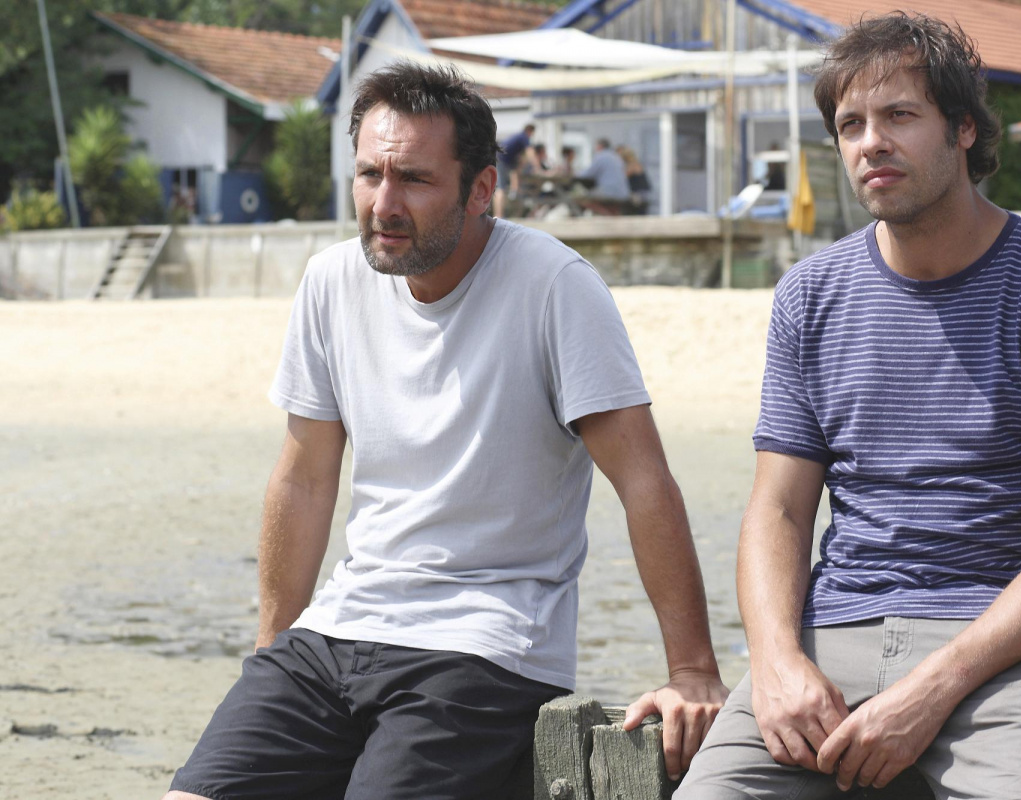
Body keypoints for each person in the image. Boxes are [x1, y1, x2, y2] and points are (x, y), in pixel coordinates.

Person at [164, 62, 727, 800]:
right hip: (337, 629)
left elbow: (643, 481)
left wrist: (692, 670)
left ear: (481, 188)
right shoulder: (331, 282)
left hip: (484, 643)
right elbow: (302, 480)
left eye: (415, 180)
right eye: (369, 174)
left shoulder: (554, 286)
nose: (384, 203)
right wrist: (273, 656)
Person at [678, 12, 1021, 799]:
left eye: (899, 115)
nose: (871, 143)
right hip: (832, 632)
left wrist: (931, 689)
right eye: (850, 124)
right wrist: (776, 660)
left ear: (963, 129)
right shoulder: (809, 297)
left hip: (1005, 650)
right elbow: (777, 511)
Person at [578, 138, 630, 216]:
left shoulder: (601, 156)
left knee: (580, 198)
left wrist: (574, 173)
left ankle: (606, 215)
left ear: (600, 146)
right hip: (623, 193)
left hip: (609, 192)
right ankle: (609, 215)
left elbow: (588, 174)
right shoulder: (616, 157)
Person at [494, 122, 535, 218]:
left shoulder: (518, 137)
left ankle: (514, 190)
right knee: (501, 188)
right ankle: (499, 214)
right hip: (502, 160)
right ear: (530, 131)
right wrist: (536, 167)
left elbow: (522, 158)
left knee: (514, 173)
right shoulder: (523, 137)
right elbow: (530, 152)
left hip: (504, 159)